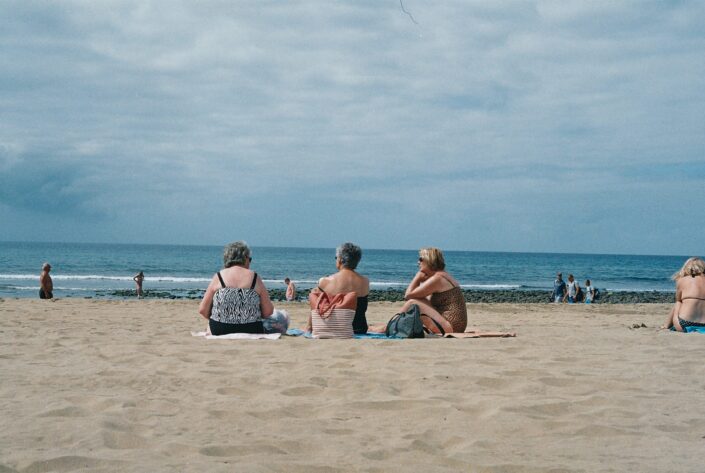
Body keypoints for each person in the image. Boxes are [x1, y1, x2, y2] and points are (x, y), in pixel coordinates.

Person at [371, 247, 467, 335]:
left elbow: (408, 295)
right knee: (419, 300)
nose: (418, 262)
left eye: (421, 259)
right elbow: (422, 299)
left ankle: (388, 327)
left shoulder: (438, 278)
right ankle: (390, 325)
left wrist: (417, 277)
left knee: (412, 302)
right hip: (453, 326)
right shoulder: (441, 275)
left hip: (451, 327)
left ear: (430, 260)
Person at [198, 241, 274, 335]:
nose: (249, 262)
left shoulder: (219, 276)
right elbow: (268, 311)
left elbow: (202, 310)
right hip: (252, 329)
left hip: (219, 328)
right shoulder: (254, 277)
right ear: (245, 258)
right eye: (249, 259)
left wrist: (221, 316)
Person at [305, 242, 370, 334]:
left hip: (332, 329)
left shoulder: (325, 281)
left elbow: (316, 306)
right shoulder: (365, 282)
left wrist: (309, 327)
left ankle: (309, 327)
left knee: (315, 292)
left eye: (336, 258)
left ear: (340, 260)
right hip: (359, 329)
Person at [662, 257, 705, 332]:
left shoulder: (682, 280)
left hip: (684, 323)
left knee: (679, 302)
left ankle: (666, 325)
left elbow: (678, 301)